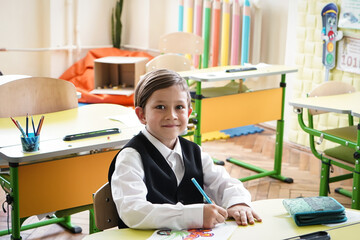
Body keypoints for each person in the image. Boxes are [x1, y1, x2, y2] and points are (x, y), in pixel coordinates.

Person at [108, 69, 261, 230]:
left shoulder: (194, 152)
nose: (172, 115)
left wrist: (238, 202)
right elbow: (132, 211)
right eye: (160, 107)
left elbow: (223, 182)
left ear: (188, 113)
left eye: (179, 107)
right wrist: (193, 216)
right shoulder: (131, 157)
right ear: (141, 115)